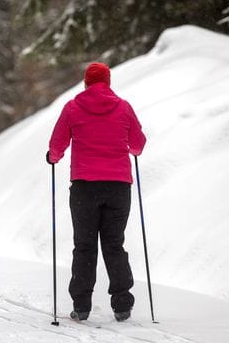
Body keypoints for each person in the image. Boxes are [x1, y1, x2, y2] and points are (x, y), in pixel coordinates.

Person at [46, 62, 146, 322]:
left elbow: (57, 145)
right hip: (118, 188)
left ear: (86, 82)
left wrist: (53, 157)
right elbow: (138, 144)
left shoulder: (73, 108)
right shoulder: (123, 107)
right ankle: (122, 304)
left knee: (85, 246)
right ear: (108, 81)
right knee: (114, 244)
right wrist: (131, 150)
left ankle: (81, 306)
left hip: (84, 188)